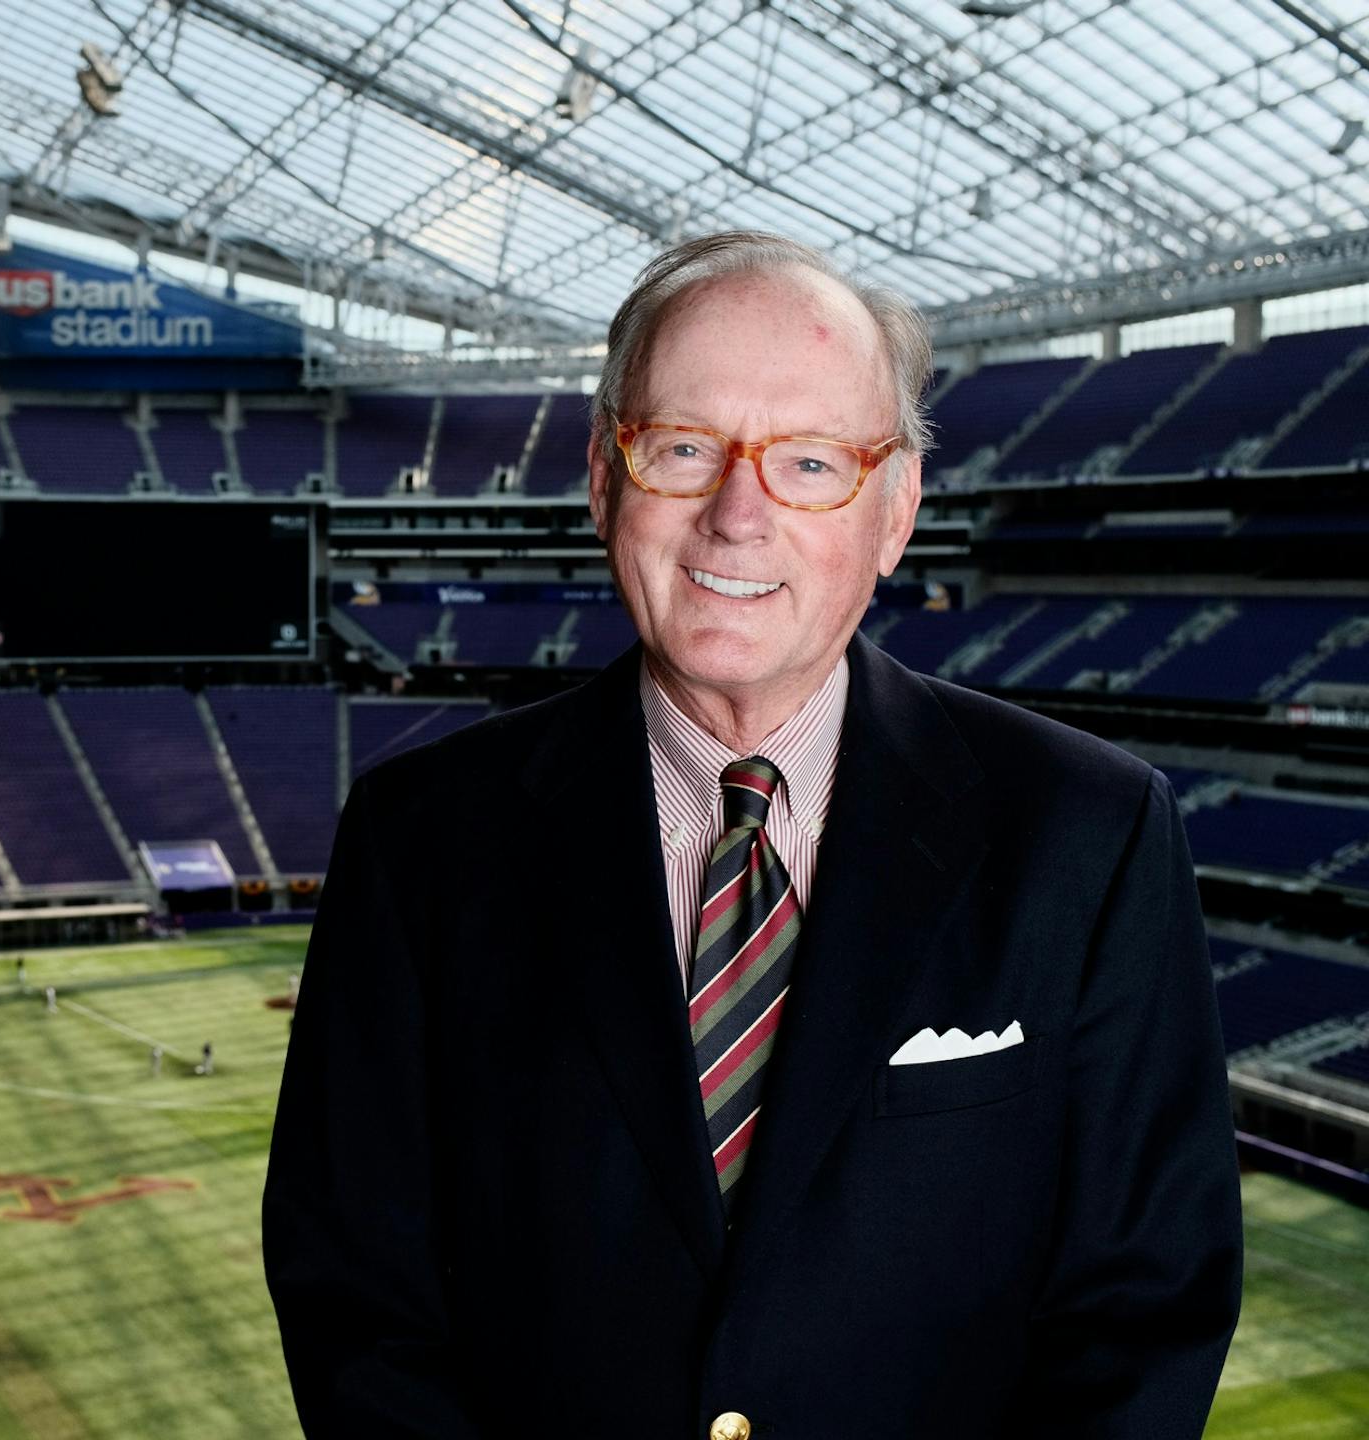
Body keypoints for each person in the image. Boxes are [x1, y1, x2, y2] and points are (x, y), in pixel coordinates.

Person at [263, 231, 1242, 1439]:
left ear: (895, 513)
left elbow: (1144, 1316)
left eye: (812, 464)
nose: (738, 516)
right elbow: (358, 1302)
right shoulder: (417, 842)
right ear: (603, 478)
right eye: (683, 449)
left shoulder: (1089, 836)